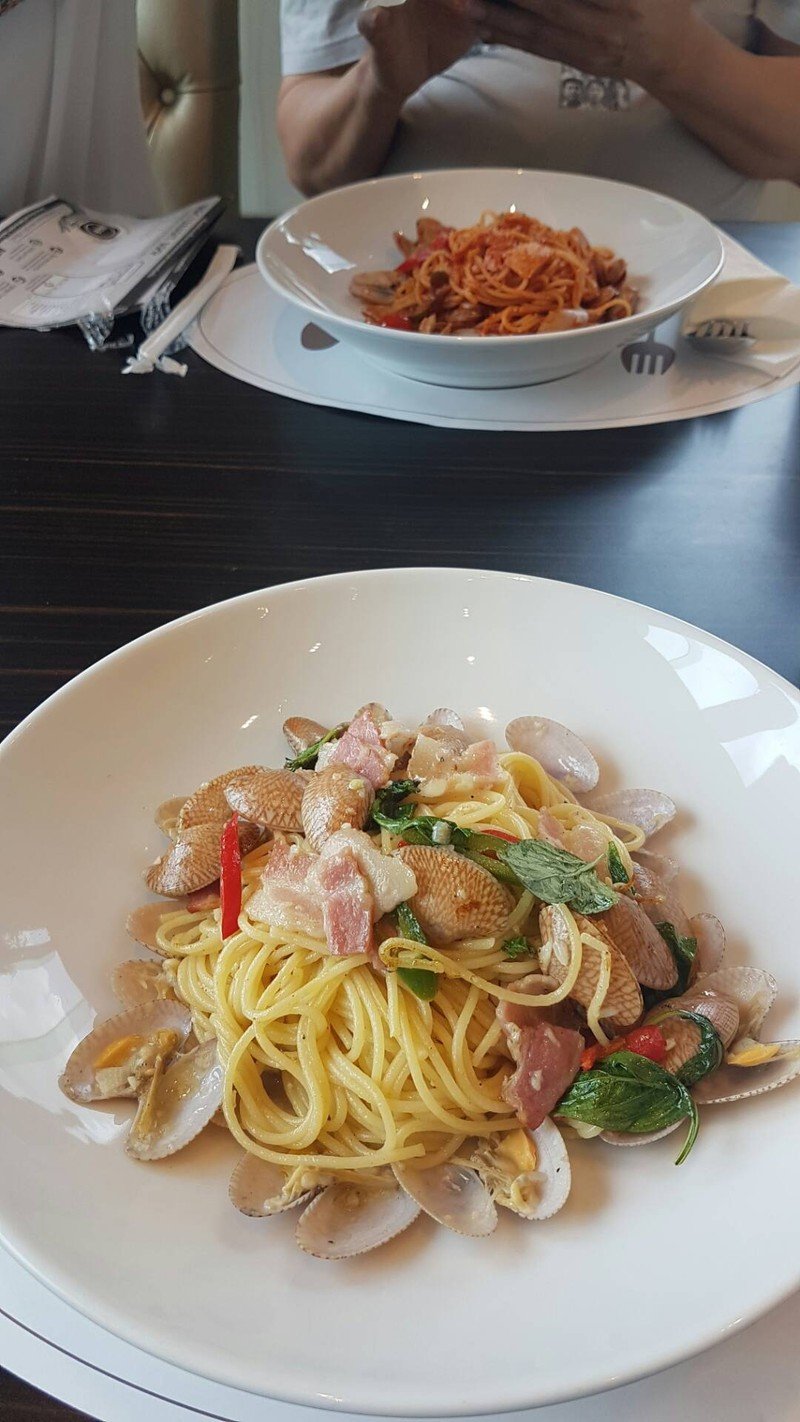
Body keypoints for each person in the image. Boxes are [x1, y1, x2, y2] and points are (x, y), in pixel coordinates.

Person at [277, 0, 800, 219]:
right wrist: (379, 83)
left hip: (700, 315)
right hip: (416, 297)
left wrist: (677, 59)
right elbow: (311, 167)